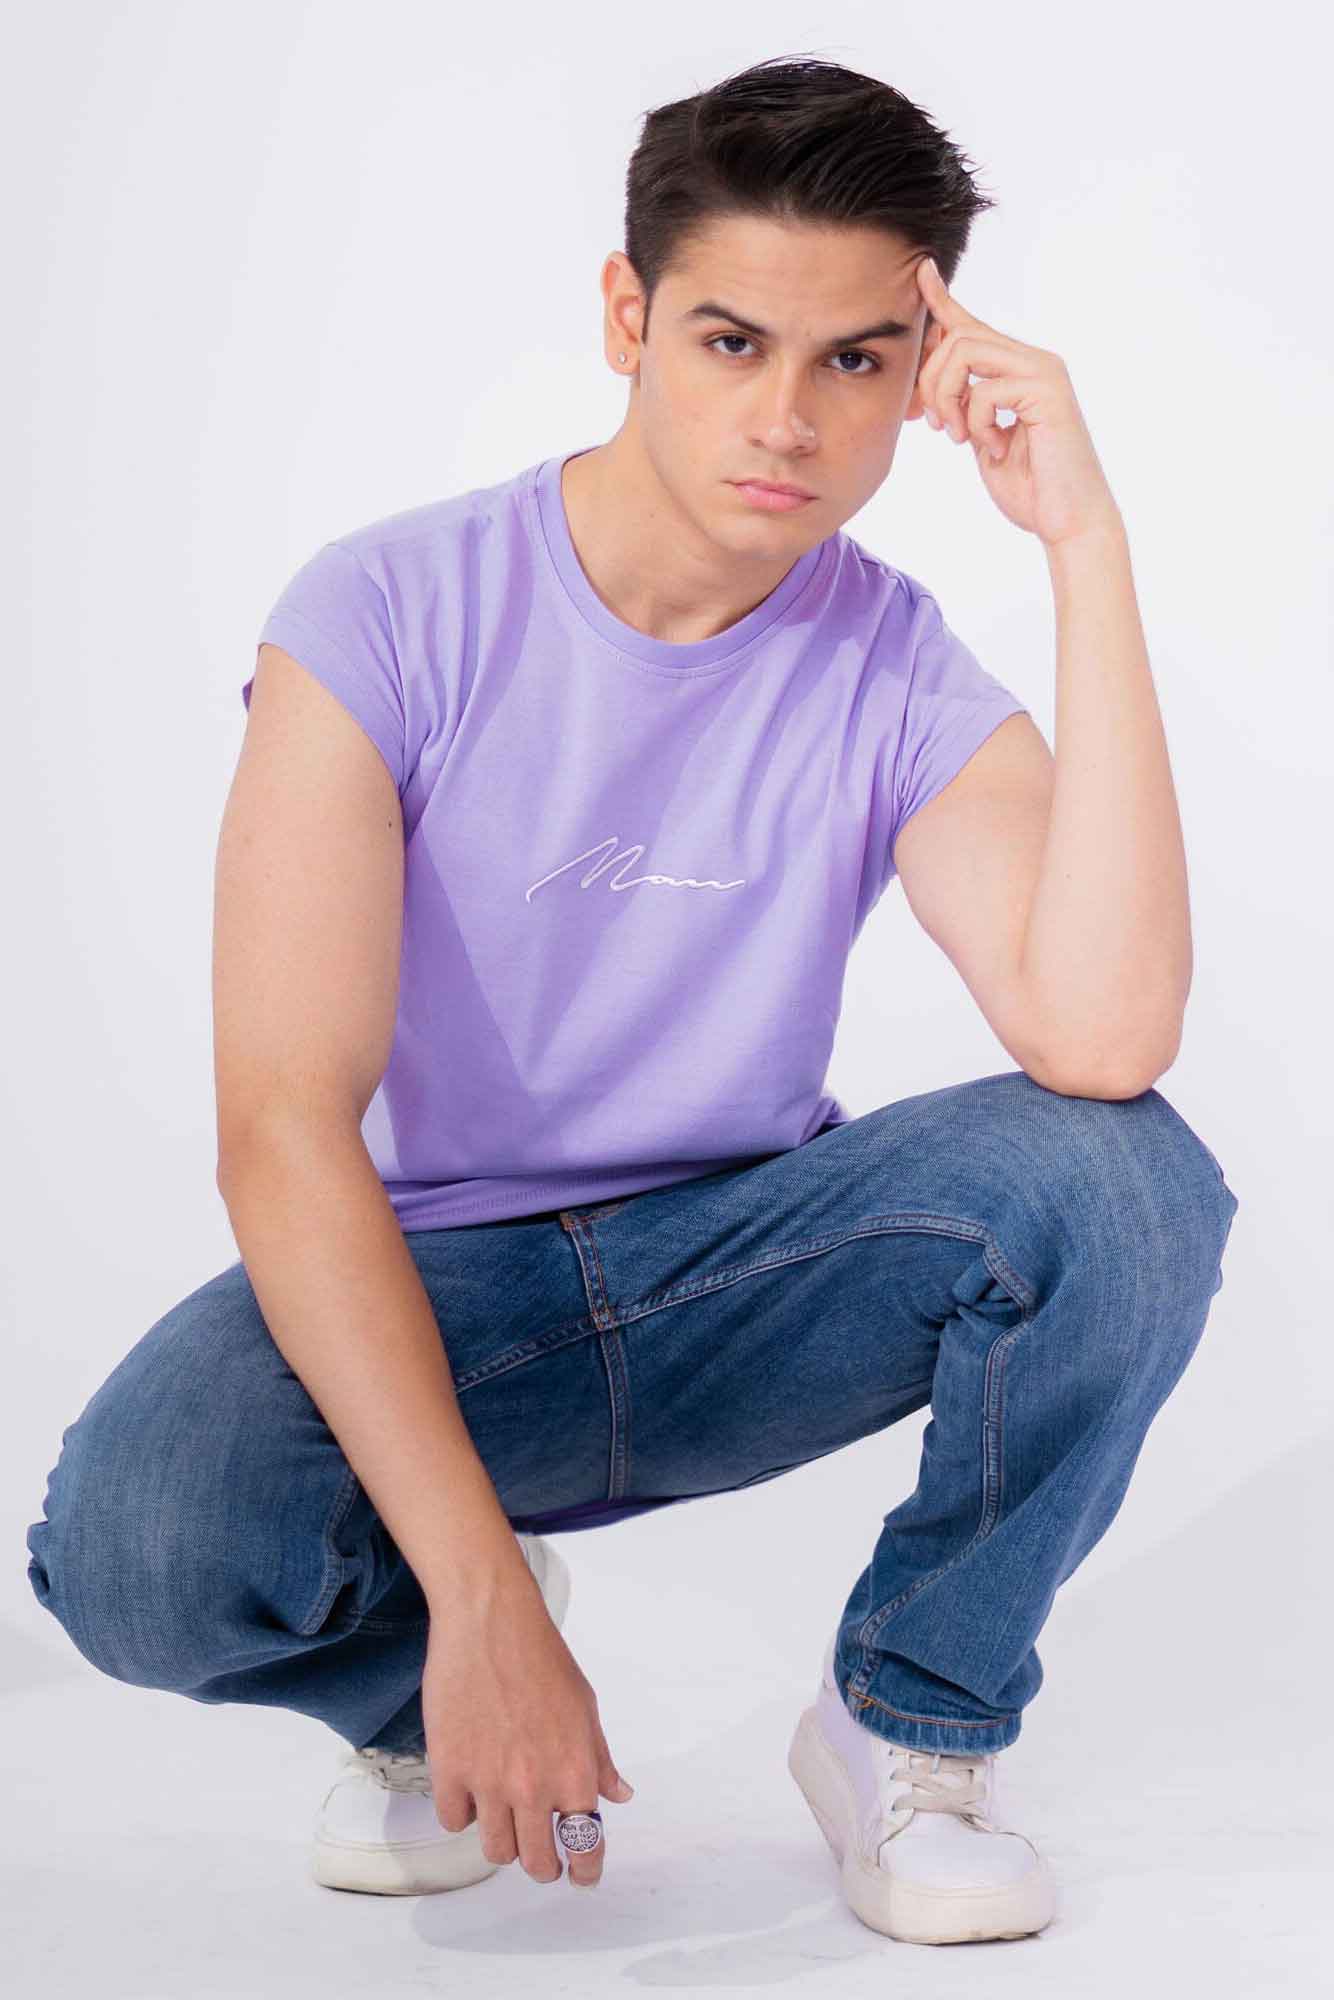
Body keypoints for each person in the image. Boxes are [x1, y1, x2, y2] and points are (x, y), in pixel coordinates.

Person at [25, 53, 1238, 1945]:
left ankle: (908, 1720)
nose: (786, 419)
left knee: (1123, 1179)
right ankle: (432, 1677)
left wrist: (1085, 543)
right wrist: (474, 1595)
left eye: (854, 360)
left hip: (739, 1274)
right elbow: (279, 1126)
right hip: (447, 1294)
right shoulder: (385, 614)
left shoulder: (891, 665)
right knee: (134, 1547)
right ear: (626, 315)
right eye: (730, 340)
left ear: (921, 374)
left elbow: (1101, 1038)